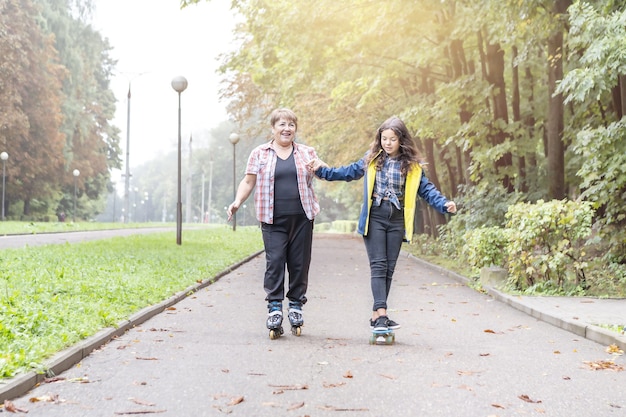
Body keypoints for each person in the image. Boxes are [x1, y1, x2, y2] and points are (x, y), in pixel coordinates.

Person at [310, 116, 457, 332]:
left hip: (397, 219)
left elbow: (426, 190)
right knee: (378, 266)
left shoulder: (413, 167)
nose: (387, 143)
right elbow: (348, 172)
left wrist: (444, 204)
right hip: (375, 217)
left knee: (388, 269)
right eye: (384, 138)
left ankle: (376, 315)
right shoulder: (371, 159)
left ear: (401, 141)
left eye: (392, 139)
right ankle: (382, 314)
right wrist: (322, 171)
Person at [227, 108, 321, 337]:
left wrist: (322, 166)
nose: (287, 129)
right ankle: (275, 308)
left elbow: (323, 170)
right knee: (275, 262)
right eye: (282, 124)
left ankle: (296, 305)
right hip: (272, 220)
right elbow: (248, 182)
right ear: (273, 128)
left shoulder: (307, 153)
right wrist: (237, 201)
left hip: (302, 217)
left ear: (295, 129)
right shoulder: (259, 153)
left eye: (291, 124)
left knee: (299, 264)